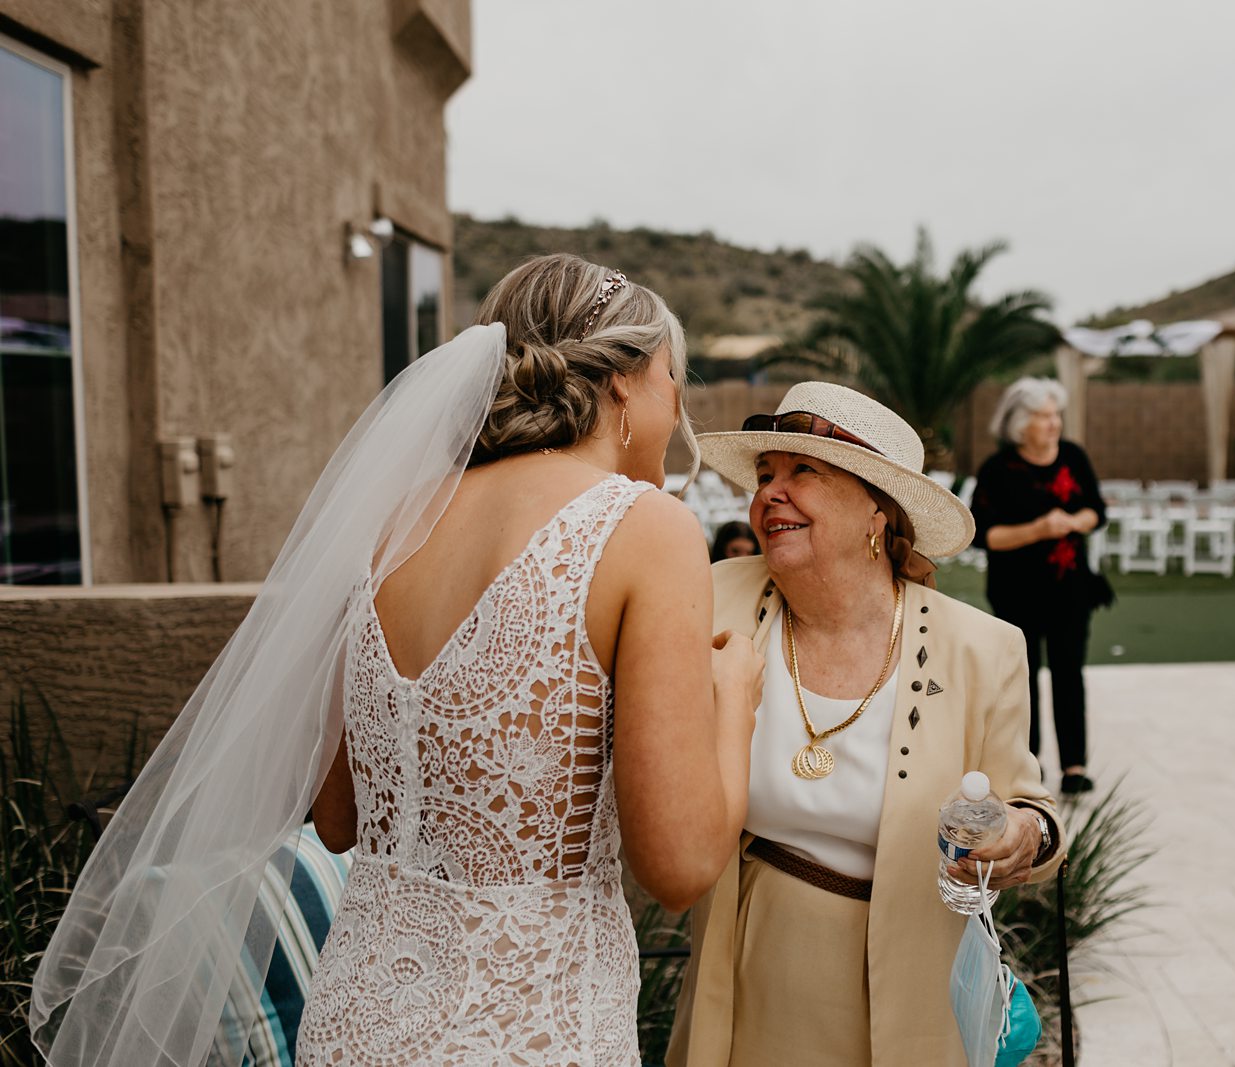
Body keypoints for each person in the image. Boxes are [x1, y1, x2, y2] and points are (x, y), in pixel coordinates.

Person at [31, 255, 762, 1067]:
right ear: (623, 382)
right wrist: (732, 699)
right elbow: (681, 865)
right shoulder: (645, 528)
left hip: (355, 1023)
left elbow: (339, 820)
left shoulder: (392, 525)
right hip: (530, 1034)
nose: (679, 405)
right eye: (673, 377)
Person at [665, 382, 1065, 1067]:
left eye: (804, 472)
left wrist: (1021, 835)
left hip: (914, 993)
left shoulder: (982, 648)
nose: (770, 494)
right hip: (748, 977)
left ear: (877, 508)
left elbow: (1039, 816)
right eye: (764, 475)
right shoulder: (709, 600)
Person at [971, 376, 1109, 795]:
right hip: (1017, 591)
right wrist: (1038, 529)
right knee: (1021, 679)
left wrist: (1074, 521)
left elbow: (1096, 511)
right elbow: (985, 535)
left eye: (1056, 415)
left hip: (1070, 588)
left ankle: (1074, 766)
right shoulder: (998, 470)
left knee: (1070, 673)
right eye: (1043, 416)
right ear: (1019, 423)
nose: (1054, 424)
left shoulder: (1073, 457)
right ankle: (1027, 764)